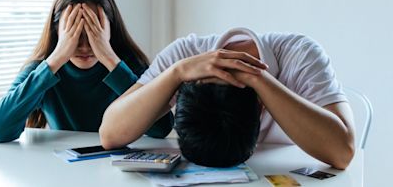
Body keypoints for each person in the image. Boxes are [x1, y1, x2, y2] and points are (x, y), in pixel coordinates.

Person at [99, 27, 355, 169]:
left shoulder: (300, 55)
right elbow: (110, 134)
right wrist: (176, 72)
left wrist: (258, 77)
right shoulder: (183, 56)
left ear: (261, 106)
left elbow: (343, 153)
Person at [0, 0, 173, 143]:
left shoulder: (128, 65)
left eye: (94, 32)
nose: (85, 47)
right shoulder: (44, 69)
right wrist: (56, 59)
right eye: (75, 33)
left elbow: (161, 128)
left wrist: (111, 60)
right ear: (57, 31)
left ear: (109, 28)